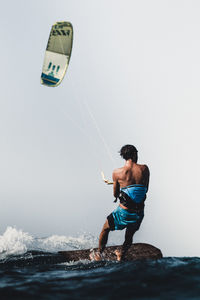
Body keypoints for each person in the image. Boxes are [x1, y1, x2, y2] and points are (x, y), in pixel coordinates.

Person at [91, 144, 150, 261]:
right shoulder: (145, 169)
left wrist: (119, 187)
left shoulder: (117, 173)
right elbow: (145, 188)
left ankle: (99, 254)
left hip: (124, 213)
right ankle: (121, 253)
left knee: (105, 228)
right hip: (138, 213)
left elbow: (115, 194)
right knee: (129, 235)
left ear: (124, 156)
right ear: (134, 154)